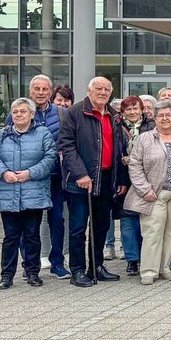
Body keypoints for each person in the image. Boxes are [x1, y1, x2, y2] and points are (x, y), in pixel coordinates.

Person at [59, 76, 128, 288]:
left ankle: (96, 266)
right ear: (89, 91)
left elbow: (120, 150)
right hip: (81, 180)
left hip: (106, 179)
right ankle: (78, 270)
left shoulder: (114, 115)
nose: (103, 92)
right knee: (78, 228)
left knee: (101, 226)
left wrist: (121, 178)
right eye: (99, 88)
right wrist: (80, 174)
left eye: (107, 89)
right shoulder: (75, 112)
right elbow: (66, 146)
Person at [0, 97, 58, 290]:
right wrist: (4, 172)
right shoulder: (2, 134)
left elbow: (50, 157)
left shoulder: (43, 133)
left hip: (33, 193)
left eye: (23, 111)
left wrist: (30, 173)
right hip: (8, 192)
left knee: (32, 235)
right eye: (15, 112)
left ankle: (32, 272)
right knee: (10, 237)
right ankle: (7, 275)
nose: (19, 115)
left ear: (32, 114)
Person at [6, 74, 70, 278]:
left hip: (55, 176)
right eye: (37, 89)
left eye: (44, 89)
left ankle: (57, 262)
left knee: (57, 220)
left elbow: (69, 141)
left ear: (51, 92)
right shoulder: (18, 111)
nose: (40, 93)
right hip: (27, 178)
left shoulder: (62, 113)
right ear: (30, 91)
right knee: (27, 224)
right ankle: (29, 264)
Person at [123, 100, 171, 285]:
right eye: (160, 115)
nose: (165, 118)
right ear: (154, 117)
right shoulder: (144, 139)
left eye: (168, 115)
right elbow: (135, 165)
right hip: (154, 194)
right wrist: (144, 189)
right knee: (153, 232)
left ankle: (164, 268)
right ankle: (148, 271)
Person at [115, 95, 153, 275]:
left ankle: (146, 257)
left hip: (147, 180)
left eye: (135, 108)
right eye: (128, 109)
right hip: (125, 181)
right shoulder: (116, 127)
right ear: (122, 111)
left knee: (146, 221)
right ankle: (132, 259)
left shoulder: (151, 126)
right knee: (128, 222)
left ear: (141, 110)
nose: (132, 112)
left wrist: (134, 160)